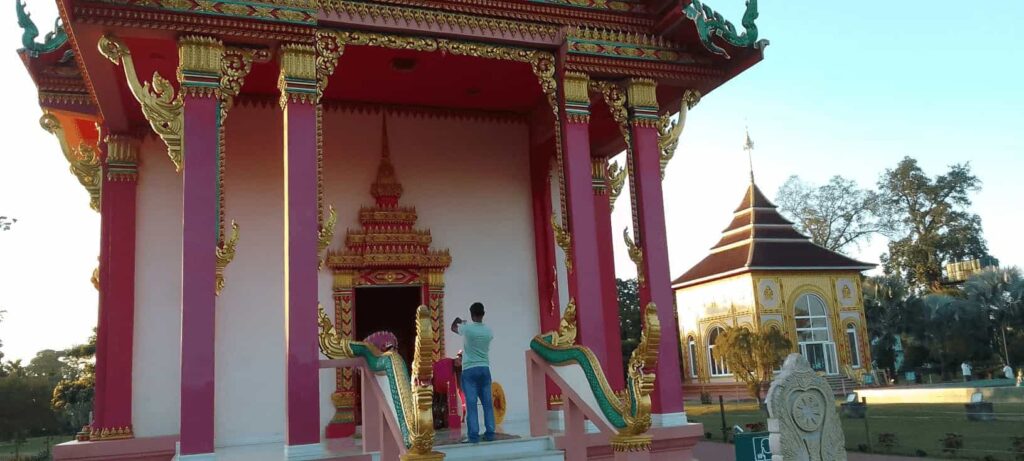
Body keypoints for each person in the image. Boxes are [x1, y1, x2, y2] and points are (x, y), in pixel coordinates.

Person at [451, 302, 495, 443]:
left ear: (471, 314)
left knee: (471, 403)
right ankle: (490, 433)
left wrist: (458, 320)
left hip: (469, 369)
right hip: (484, 368)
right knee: (487, 403)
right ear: (483, 314)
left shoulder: (467, 329)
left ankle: (474, 435)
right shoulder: (489, 331)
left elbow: (453, 327)